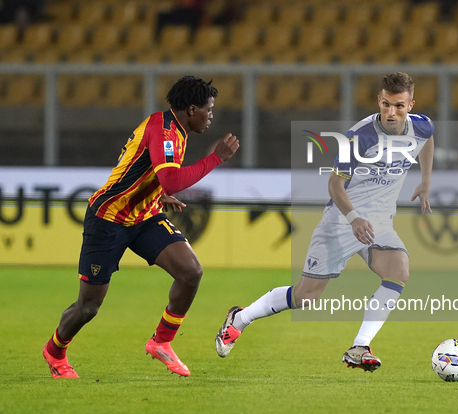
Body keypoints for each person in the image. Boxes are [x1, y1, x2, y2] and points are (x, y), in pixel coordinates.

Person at [215, 72, 434, 372]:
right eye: (386, 104)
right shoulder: (362, 137)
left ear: (411, 105)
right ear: (378, 101)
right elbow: (334, 185)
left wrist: (425, 181)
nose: (391, 112)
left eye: (399, 105)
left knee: (399, 271)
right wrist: (354, 218)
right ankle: (239, 319)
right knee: (306, 297)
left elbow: (428, 139)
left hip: (380, 222)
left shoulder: (421, 126)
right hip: (342, 222)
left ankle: (360, 346)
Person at [42, 76, 240, 378]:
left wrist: (158, 193)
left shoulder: (174, 128)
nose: (211, 115)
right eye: (208, 109)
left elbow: (141, 168)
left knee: (191, 272)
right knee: (88, 307)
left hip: (144, 215)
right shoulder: (165, 132)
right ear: (191, 109)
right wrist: (215, 158)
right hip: (108, 219)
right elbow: (172, 178)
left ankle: (161, 341)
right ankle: (55, 351)